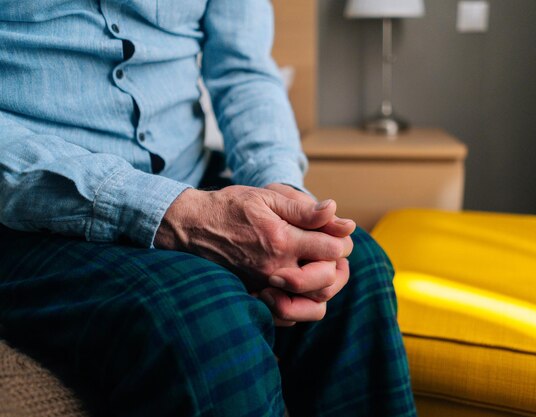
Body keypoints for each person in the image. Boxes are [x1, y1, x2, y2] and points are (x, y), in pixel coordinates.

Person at [0, 1, 417, 416]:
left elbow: (244, 72)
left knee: (354, 263)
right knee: (204, 314)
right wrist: (174, 213)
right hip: (33, 214)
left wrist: (284, 195)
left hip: (192, 179)